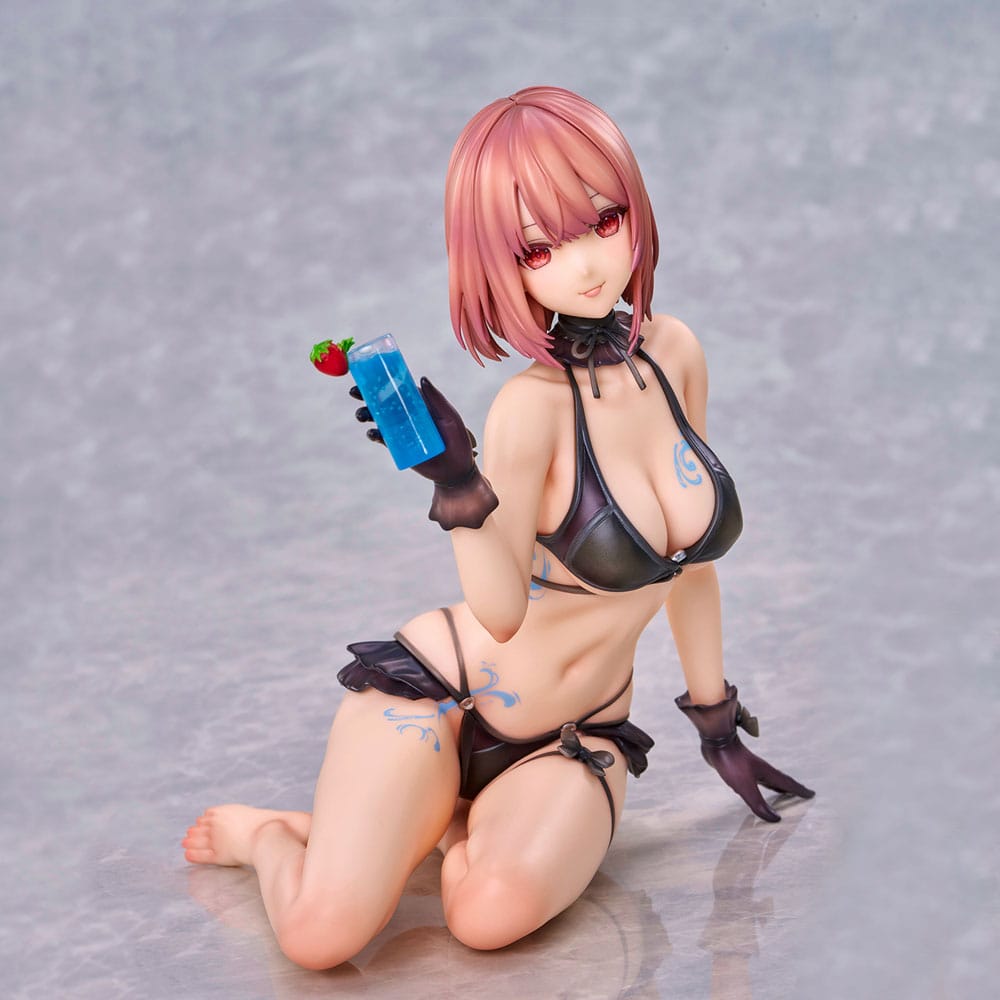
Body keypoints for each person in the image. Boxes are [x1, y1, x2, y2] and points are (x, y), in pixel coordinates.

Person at [182, 86, 813, 970]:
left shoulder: (677, 354)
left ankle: (434, 826)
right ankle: (276, 839)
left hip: (580, 734)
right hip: (446, 693)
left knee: (488, 918)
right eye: (539, 248)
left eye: (604, 221)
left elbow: (693, 569)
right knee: (321, 940)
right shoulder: (529, 408)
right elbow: (502, 609)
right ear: (500, 267)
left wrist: (716, 727)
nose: (585, 265)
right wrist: (458, 484)